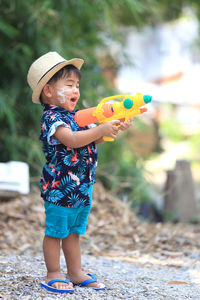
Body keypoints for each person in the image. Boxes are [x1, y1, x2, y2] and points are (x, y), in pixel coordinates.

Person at [27, 51, 132, 294]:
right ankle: (53, 272)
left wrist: (113, 127)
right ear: (49, 91)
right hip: (59, 188)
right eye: (69, 85)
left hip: (81, 187)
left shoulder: (76, 116)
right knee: (56, 231)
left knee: (74, 232)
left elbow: (93, 141)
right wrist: (100, 129)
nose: (76, 91)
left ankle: (75, 271)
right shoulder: (52, 118)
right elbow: (72, 140)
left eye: (77, 85)